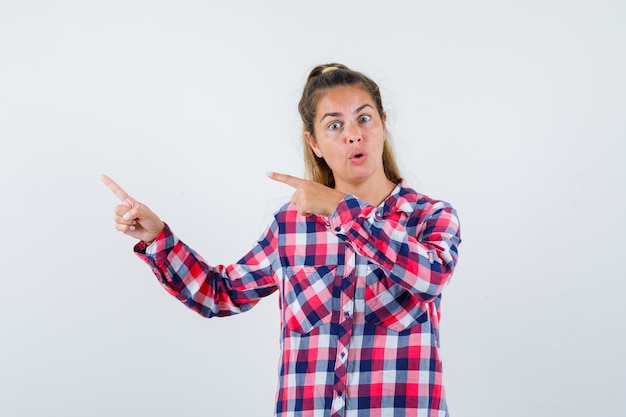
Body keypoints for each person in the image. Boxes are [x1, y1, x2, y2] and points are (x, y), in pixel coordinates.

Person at [102, 63, 461, 417]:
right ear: (315, 143)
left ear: (383, 124)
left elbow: (429, 276)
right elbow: (220, 294)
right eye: (335, 125)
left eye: (364, 119)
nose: (354, 134)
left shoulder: (429, 217)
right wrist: (157, 239)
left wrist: (341, 209)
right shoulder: (291, 225)